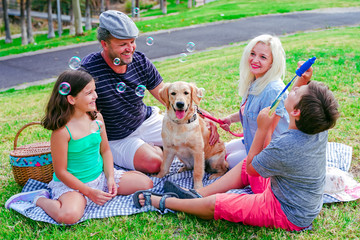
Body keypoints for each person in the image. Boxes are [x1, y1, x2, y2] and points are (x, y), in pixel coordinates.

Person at [133, 80, 340, 231]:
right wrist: (306, 81)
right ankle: (199, 194)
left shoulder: (287, 146)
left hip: (286, 212)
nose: (292, 88)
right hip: (296, 199)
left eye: (297, 91)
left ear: (296, 112)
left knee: (219, 204)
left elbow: (253, 167)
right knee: (241, 165)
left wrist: (261, 130)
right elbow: (309, 105)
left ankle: (164, 202)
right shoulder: (318, 126)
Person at [5, 70, 153, 224]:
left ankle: (103, 184)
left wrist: (110, 178)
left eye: (94, 90)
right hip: (73, 185)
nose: (95, 95)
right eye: (89, 92)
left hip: (100, 178)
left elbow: (106, 150)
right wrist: (89, 192)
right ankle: (40, 198)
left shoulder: (96, 117)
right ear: (71, 99)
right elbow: (61, 172)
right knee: (68, 216)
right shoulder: (62, 132)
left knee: (146, 184)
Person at [81, 10, 219, 174]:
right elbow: (84, 114)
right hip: (119, 137)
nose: (130, 48)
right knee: (156, 164)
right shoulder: (88, 70)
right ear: (105, 44)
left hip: (146, 121)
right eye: (123, 44)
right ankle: (152, 149)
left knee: (203, 139)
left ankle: (154, 146)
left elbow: (168, 96)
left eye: (132, 42)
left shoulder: (140, 60)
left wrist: (208, 119)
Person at [220, 34, 312, 169]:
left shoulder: (273, 90)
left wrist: (255, 164)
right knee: (222, 151)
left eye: (263, 57)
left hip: (267, 153)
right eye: (252, 54)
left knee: (226, 162)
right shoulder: (255, 81)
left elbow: (267, 139)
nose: (255, 60)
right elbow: (251, 111)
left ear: (272, 63)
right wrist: (230, 119)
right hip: (250, 142)